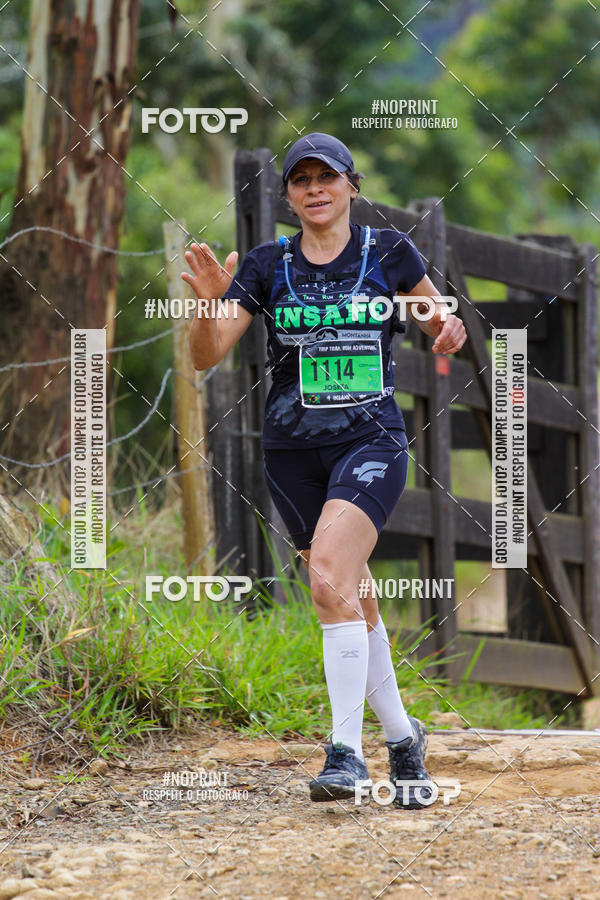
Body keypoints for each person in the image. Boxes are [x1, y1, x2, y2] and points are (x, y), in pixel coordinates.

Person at [183, 133, 467, 808]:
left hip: (371, 441)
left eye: (327, 177)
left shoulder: (388, 253)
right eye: (301, 179)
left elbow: (438, 318)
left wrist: (448, 329)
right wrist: (204, 305)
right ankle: (402, 738)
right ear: (288, 195)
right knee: (346, 591)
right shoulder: (264, 264)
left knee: (327, 580)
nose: (314, 188)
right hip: (291, 453)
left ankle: (344, 753)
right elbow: (205, 355)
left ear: (350, 186)